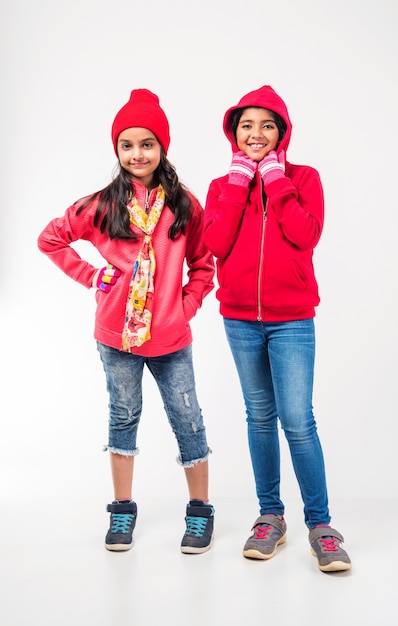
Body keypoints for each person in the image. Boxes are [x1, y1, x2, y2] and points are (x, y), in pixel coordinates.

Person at [38, 88, 215, 554]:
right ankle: (121, 510)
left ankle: (200, 512)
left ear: (163, 148)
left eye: (147, 143)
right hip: (116, 337)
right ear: (117, 150)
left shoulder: (183, 206)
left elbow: (204, 265)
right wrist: (93, 276)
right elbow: (50, 239)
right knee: (123, 416)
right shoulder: (101, 205)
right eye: (128, 145)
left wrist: (186, 306)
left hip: (171, 337)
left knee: (188, 419)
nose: (138, 154)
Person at [203, 85, 351, 573]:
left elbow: (306, 235)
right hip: (240, 319)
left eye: (268, 125)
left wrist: (275, 180)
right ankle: (270, 517)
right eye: (247, 125)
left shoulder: (304, 178)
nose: (256, 133)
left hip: (292, 319)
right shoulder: (223, 185)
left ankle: (321, 526)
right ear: (234, 132)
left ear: (282, 133)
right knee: (259, 417)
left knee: (298, 420)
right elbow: (217, 243)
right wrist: (242, 183)